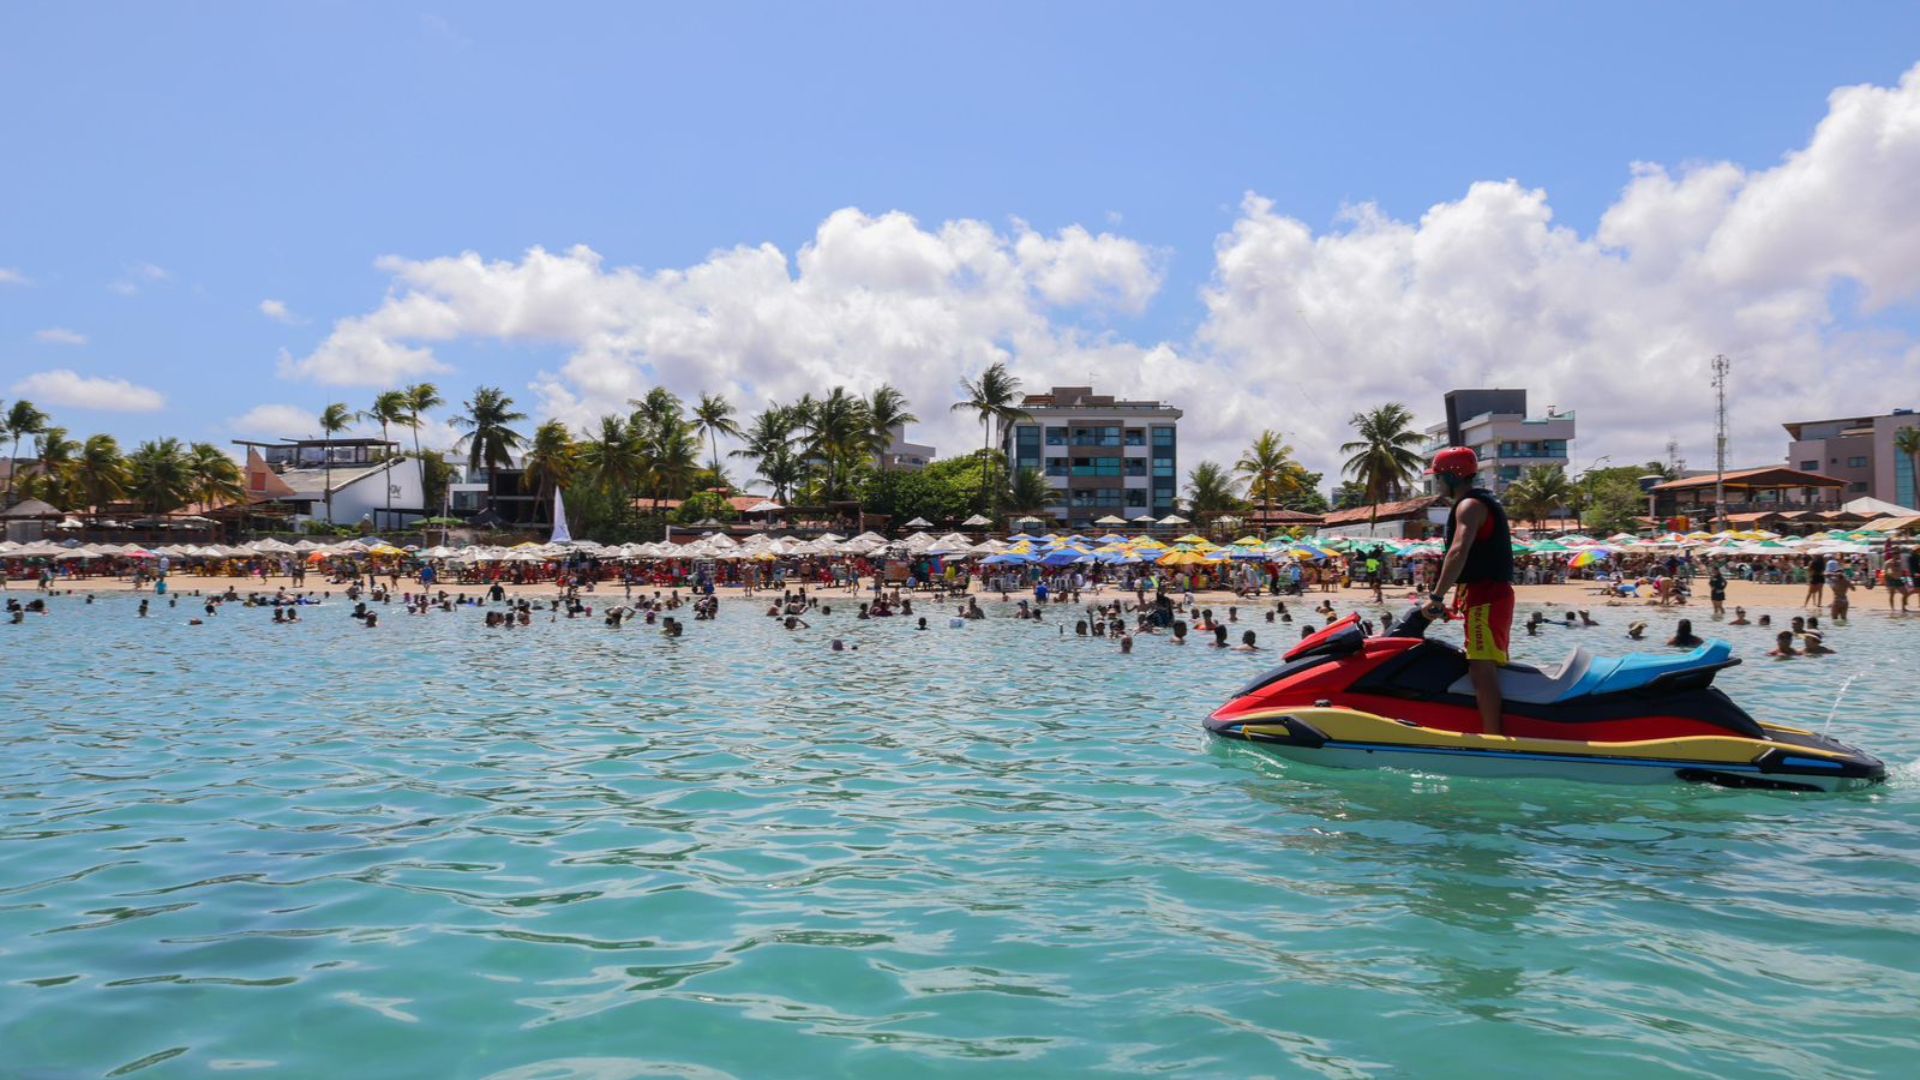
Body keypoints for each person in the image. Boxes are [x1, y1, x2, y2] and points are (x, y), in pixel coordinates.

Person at [1422, 447, 1513, 736]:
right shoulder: (1474, 503)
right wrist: (1452, 601)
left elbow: (1459, 551)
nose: (1436, 484)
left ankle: (1492, 737)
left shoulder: (1469, 506)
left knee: (1480, 667)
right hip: (1484, 596)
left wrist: (1436, 596)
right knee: (1482, 663)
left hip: (1487, 597)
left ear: (1452, 476)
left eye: (1438, 477)